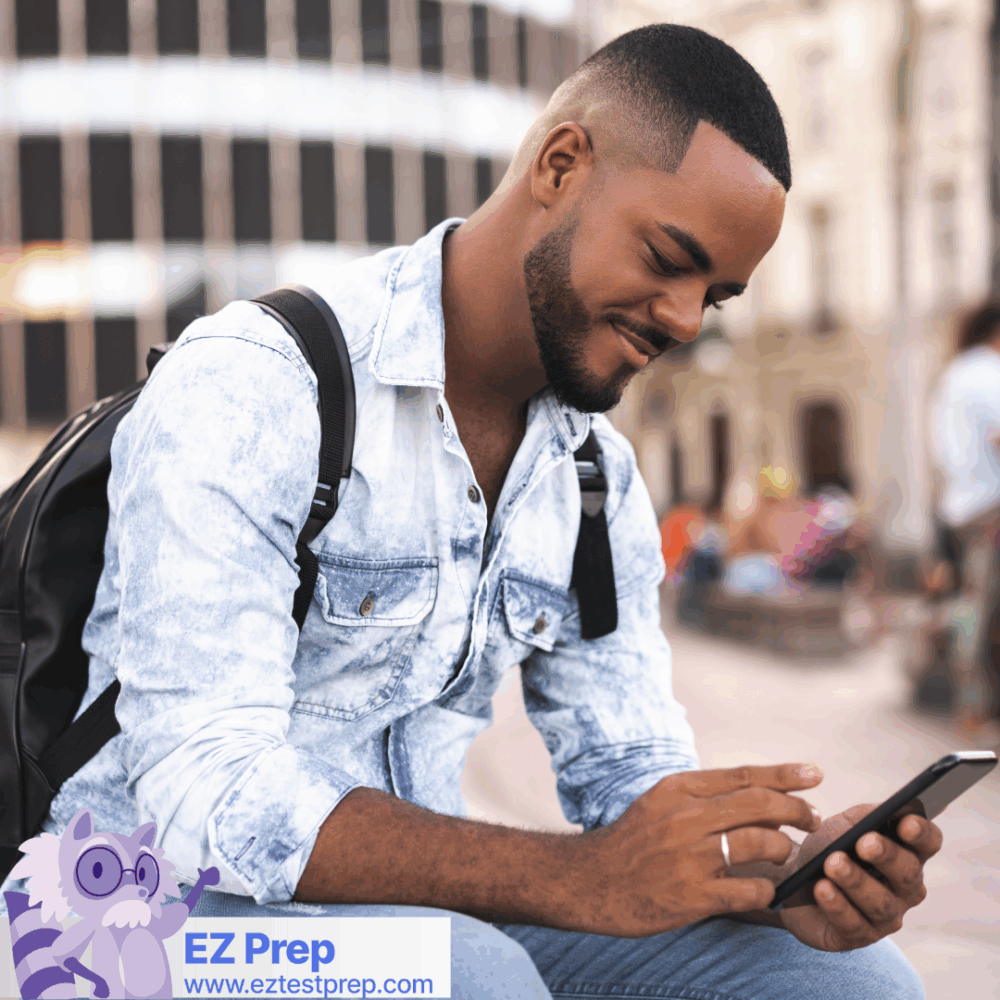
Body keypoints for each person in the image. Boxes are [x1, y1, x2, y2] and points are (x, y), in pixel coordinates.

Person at [5, 25, 934, 999]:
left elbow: (629, 779)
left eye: (716, 295)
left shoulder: (591, 477)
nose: (682, 319)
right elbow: (203, 791)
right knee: (474, 977)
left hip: (403, 927)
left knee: (848, 980)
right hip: (115, 921)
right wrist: (575, 877)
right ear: (561, 162)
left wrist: (779, 877)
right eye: (668, 258)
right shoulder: (263, 379)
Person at [927, 301, 1000, 724]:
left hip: (963, 506)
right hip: (992, 505)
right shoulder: (987, 373)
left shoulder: (955, 375)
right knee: (982, 610)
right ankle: (976, 708)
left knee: (975, 605)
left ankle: (973, 707)